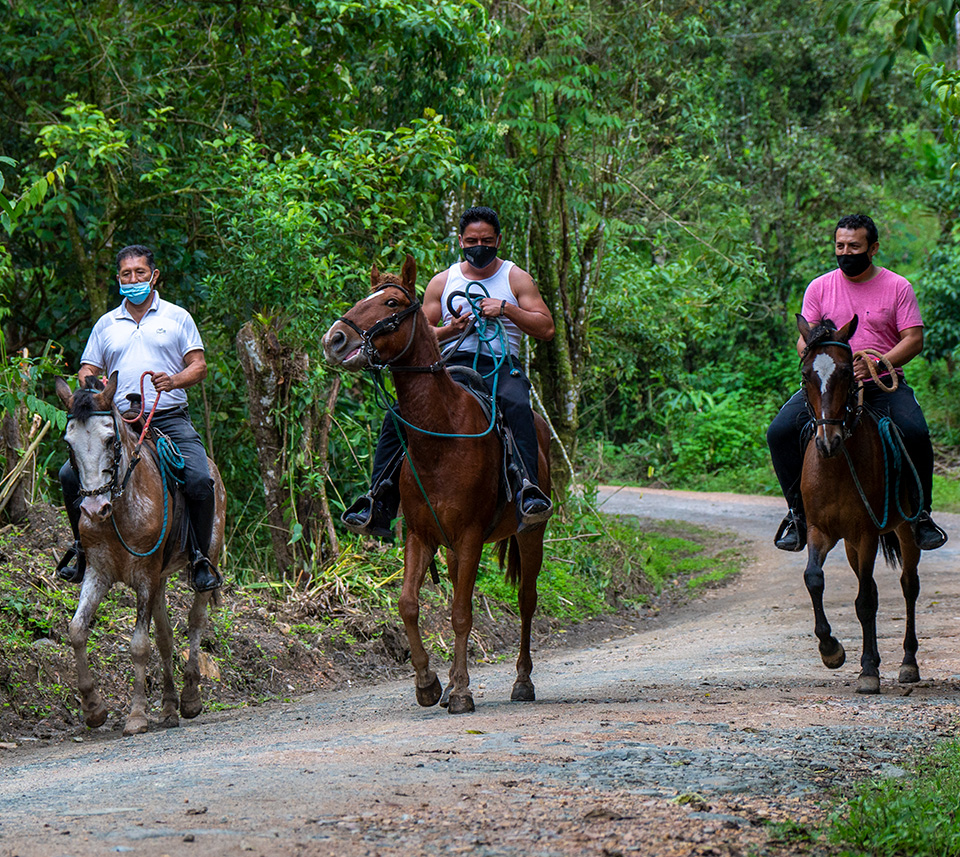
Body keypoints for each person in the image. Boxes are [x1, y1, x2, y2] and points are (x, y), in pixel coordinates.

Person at [342, 206, 555, 537]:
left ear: (498, 240)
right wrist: (452, 329)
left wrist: (507, 309)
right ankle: (379, 500)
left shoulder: (516, 278)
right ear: (461, 241)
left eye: (486, 240)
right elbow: (419, 331)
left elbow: (546, 328)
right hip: (452, 364)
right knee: (398, 414)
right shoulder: (443, 281)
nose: (479, 246)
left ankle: (528, 490)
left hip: (501, 367)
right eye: (472, 240)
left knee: (515, 406)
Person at [767, 214, 947, 553]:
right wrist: (820, 361)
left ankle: (921, 515)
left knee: (916, 431)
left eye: (854, 246)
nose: (846, 252)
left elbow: (914, 339)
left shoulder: (898, 286)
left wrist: (879, 362)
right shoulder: (819, 287)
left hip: (881, 384)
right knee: (779, 432)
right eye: (840, 246)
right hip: (831, 385)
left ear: (873, 248)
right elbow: (804, 340)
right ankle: (797, 515)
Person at [56, 244, 221, 592]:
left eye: (140, 273)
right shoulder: (106, 324)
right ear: (118, 279)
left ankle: (199, 558)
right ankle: (82, 551)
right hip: (119, 421)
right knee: (69, 474)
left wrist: (173, 379)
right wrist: (91, 381)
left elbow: (200, 366)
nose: (133, 279)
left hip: (168, 416)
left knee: (198, 480)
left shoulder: (177, 317)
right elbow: (88, 366)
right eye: (126, 274)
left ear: (154, 276)